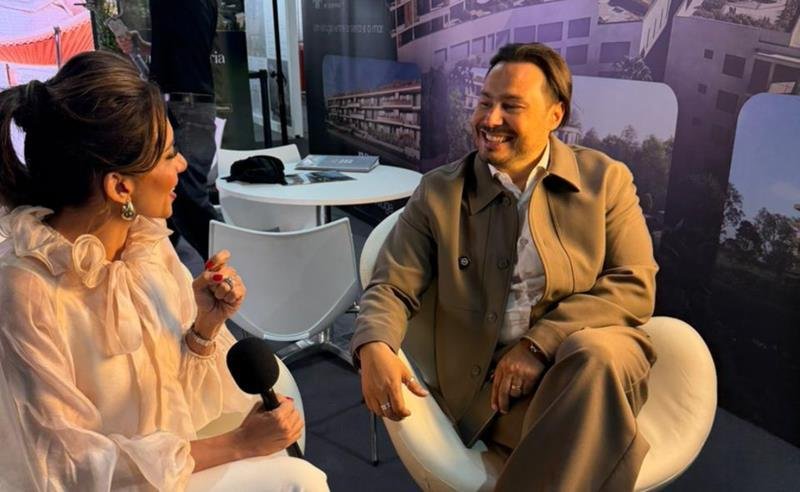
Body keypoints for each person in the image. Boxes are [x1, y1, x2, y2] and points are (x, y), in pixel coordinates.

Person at [0, 51, 327, 491]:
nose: (182, 165)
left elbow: (169, 405)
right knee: (299, 480)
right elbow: (65, 464)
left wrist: (203, 328)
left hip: (172, 467)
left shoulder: (146, 247)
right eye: (170, 154)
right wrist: (238, 444)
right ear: (120, 186)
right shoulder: (26, 289)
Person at [352, 43, 658, 491]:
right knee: (593, 430)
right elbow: (391, 284)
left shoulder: (606, 181)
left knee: (593, 358)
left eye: (511, 106)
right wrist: (374, 344)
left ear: (555, 115)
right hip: (495, 388)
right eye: (484, 102)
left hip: (594, 352)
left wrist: (538, 345)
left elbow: (634, 284)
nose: (490, 119)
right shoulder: (439, 193)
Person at [117, 0, 220, 260]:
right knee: (172, 198)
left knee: (184, 197)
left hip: (184, 105)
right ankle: (159, 271)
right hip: (185, 103)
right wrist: (143, 47)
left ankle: (233, 263)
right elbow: (187, 46)